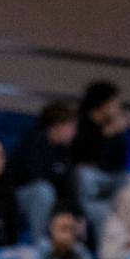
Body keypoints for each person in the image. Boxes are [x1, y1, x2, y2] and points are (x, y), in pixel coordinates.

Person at [9, 101, 78, 245]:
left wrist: (76, 214)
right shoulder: (32, 142)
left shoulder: (64, 152)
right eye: (71, 127)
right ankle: (39, 244)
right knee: (43, 191)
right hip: (16, 197)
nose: (74, 132)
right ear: (57, 126)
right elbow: (30, 177)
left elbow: (68, 188)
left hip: (48, 200)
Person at [73, 80, 129, 238]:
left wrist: (115, 135)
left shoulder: (117, 132)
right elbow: (81, 161)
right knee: (85, 175)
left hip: (107, 181)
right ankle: (82, 215)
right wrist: (106, 136)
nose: (118, 108)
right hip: (87, 186)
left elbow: (117, 166)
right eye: (114, 103)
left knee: (129, 178)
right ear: (103, 104)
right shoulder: (80, 125)